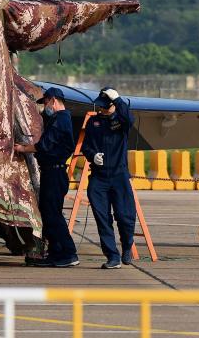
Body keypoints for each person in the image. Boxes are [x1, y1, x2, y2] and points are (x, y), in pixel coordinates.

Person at [15, 87, 79, 268]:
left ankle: (68, 252)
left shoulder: (61, 119)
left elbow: (44, 145)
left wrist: (23, 149)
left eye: (46, 103)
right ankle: (56, 252)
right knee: (49, 213)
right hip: (50, 171)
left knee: (53, 214)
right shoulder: (57, 119)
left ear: (53, 100)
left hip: (55, 173)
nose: (45, 108)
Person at [83, 87, 136, 269]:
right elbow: (86, 146)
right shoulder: (93, 122)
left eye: (107, 106)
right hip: (99, 177)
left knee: (125, 216)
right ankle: (112, 256)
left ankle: (127, 245)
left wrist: (119, 99)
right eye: (101, 106)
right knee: (102, 218)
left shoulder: (121, 122)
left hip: (119, 175)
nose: (103, 110)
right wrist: (92, 156)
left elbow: (130, 119)